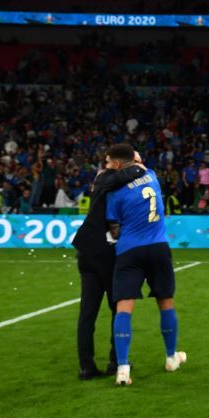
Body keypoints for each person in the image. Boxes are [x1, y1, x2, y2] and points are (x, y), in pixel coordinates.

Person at [105, 143, 185, 386]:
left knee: (123, 309)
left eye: (109, 163)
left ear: (117, 165)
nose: (107, 167)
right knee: (166, 303)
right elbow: (137, 163)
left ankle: (122, 369)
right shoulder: (151, 176)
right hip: (158, 247)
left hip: (129, 250)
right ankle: (171, 358)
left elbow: (114, 228)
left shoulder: (113, 192)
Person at [71, 149, 146, 380]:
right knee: (114, 308)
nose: (103, 164)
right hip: (103, 254)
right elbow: (125, 175)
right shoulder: (106, 177)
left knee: (90, 312)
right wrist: (139, 167)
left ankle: (91, 365)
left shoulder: (118, 182)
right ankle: (113, 360)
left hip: (91, 251)